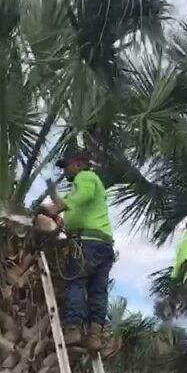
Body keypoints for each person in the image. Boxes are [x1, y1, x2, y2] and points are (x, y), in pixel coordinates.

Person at [44, 150, 115, 354]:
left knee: (75, 282)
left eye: (67, 165)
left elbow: (82, 197)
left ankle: (73, 328)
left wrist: (56, 208)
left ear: (79, 164)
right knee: (97, 291)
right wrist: (55, 199)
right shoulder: (76, 190)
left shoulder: (86, 177)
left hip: (88, 243)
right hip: (103, 244)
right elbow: (71, 206)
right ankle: (94, 336)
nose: (64, 171)